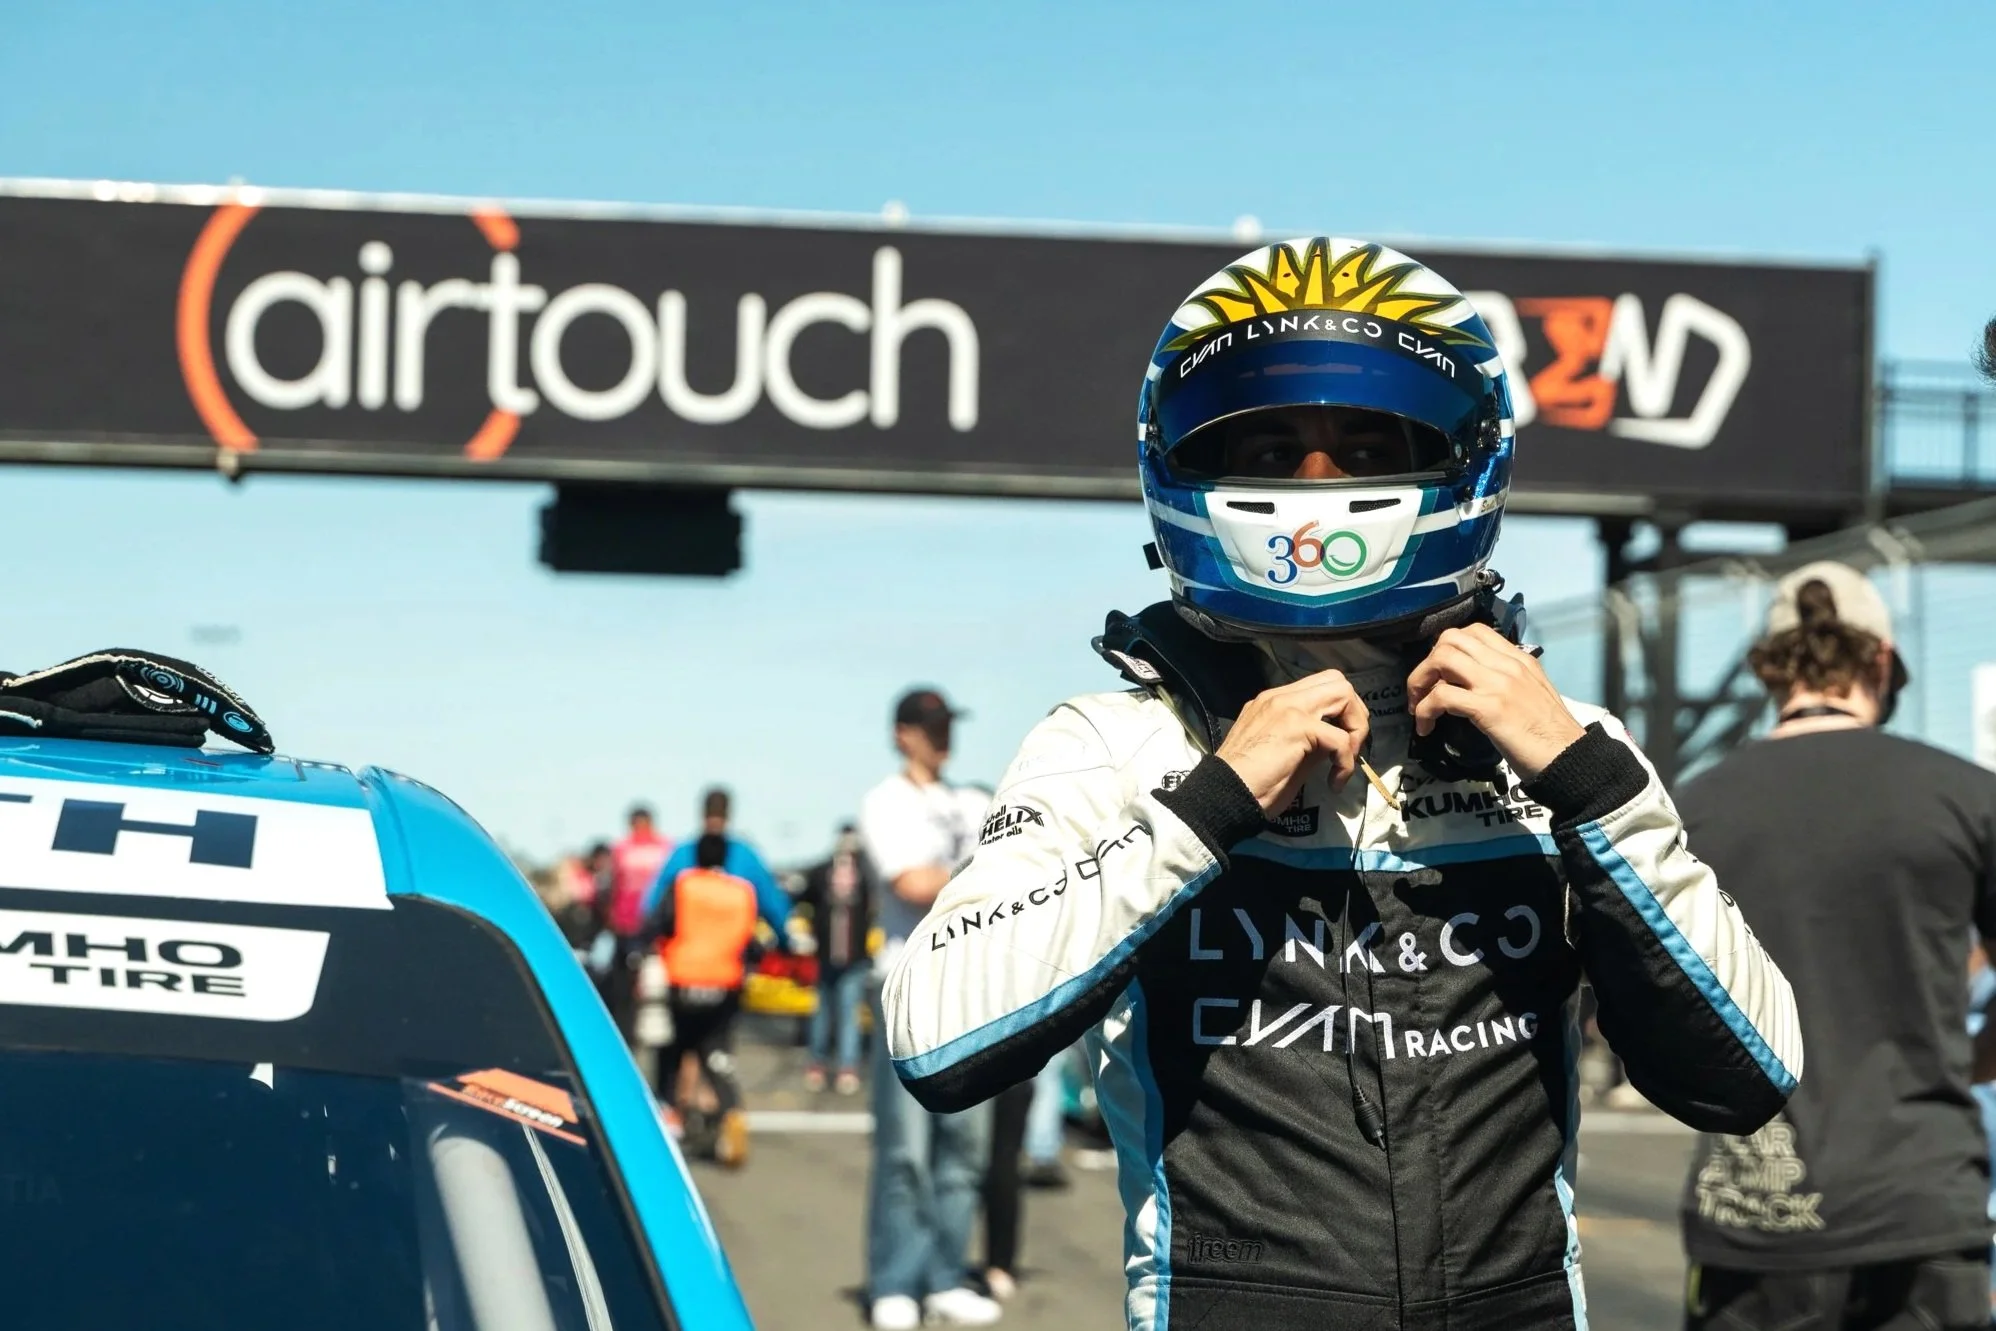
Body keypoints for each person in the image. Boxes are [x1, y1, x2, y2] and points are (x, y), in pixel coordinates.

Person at [880, 237, 1803, 1331]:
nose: (1319, 488)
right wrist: (1210, 806)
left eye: (1370, 444)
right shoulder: (1118, 742)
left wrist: (1588, 781)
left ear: (1465, 456)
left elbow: (1750, 1073)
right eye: (1269, 448)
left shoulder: (1566, 746)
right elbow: (936, 1037)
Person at [1674, 562, 1996, 1330]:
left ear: (1769, 665)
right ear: (1882, 661)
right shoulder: (1966, 795)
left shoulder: (1691, 809)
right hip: (1922, 1197)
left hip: (1754, 1213)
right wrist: (1964, 1056)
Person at [860, 689, 1002, 1330]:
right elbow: (911, 884)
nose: (943, 739)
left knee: (963, 1151)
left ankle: (944, 1275)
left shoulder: (972, 799)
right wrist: (985, 876)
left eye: (947, 727)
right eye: (931, 728)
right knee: (906, 1152)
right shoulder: (885, 803)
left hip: (976, 993)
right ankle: (894, 1280)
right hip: (908, 989)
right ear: (902, 734)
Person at [644, 831, 763, 1169]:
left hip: (683, 979)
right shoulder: (741, 892)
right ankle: (731, 1110)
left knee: (674, 1049)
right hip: (724, 982)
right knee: (715, 1052)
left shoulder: (683, 886)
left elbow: (659, 923)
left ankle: (670, 1117)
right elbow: (752, 940)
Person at [643, 787, 792, 935]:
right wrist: (785, 940)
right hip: (732, 951)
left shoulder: (682, 854)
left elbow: (652, 906)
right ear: (728, 815)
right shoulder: (745, 855)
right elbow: (773, 906)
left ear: (702, 814)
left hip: (684, 949)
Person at [798, 823, 878, 1095]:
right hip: (825, 956)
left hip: (854, 958)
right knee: (822, 1014)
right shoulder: (822, 872)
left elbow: (874, 907)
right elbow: (803, 898)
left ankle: (847, 1066)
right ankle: (818, 1063)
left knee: (847, 1013)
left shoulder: (866, 874)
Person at [605, 805, 672, 1043]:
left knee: (624, 991)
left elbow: (612, 887)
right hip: (655, 928)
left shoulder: (621, 849)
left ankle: (625, 1037)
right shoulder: (666, 849)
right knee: (656, 986)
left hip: (628, 927)